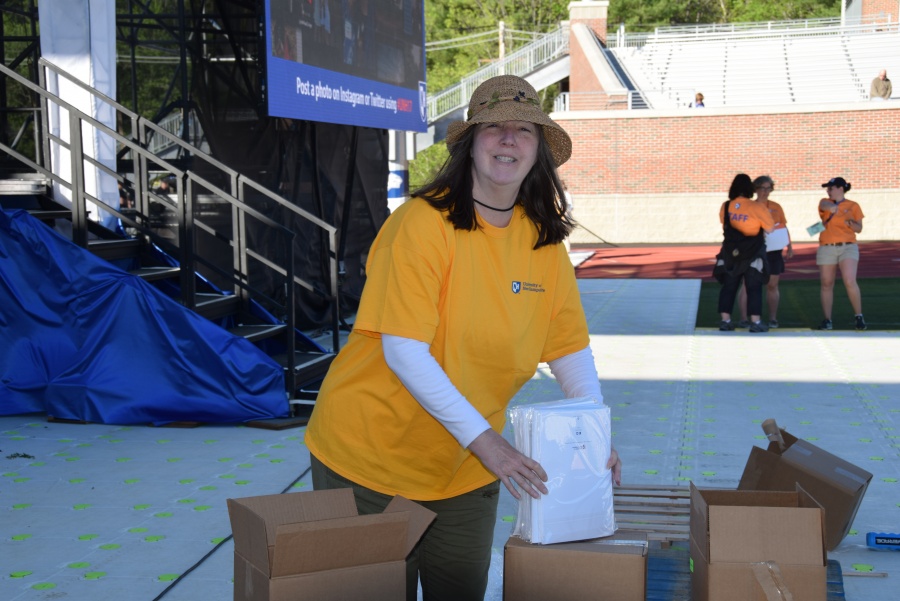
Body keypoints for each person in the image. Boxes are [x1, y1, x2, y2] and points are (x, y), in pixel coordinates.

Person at [304, 75, 622, 601]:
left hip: (465, 470)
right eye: (493, 127)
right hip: (368, 460)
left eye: (524, 129)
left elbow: (567, 348)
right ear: (470, 144)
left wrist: (594, 430)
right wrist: (489, 443)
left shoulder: (543, 241)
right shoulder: (421, 225)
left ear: (538, 149)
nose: (508, 138)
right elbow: (404, 351)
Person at [715, 173, 775, 332]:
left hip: (730, 252)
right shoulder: (757, 207)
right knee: (753, 287)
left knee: (729, 286)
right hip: (752, 252)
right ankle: (755, 322)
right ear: (750, 189)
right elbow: (770, 229)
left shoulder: (726, 206)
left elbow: (724, 224)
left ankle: (725, 320)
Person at [737, 175, 793, 328]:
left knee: (773, 285)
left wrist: (790, 245)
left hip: (774, 251)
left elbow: (783, 227)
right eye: (762, 188)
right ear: (755, 189)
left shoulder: (776, 206)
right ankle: (743, 318)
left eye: (768, 188)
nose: (765, 191)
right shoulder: (747, 206)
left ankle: (773, 318)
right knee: (748, 285)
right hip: (753, 251)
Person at [816, 177, 866, 331]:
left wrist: (851, 223)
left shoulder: (853, 206)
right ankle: (827, 319)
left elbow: (859, 228)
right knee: (826, 283)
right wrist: (832, 208)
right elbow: (824, 205)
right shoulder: (825, 202)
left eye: (830, 188)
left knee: (850, 280)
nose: (828, 191)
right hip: (827, 246)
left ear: (840, 188)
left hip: (848, 246)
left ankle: (859, 316)